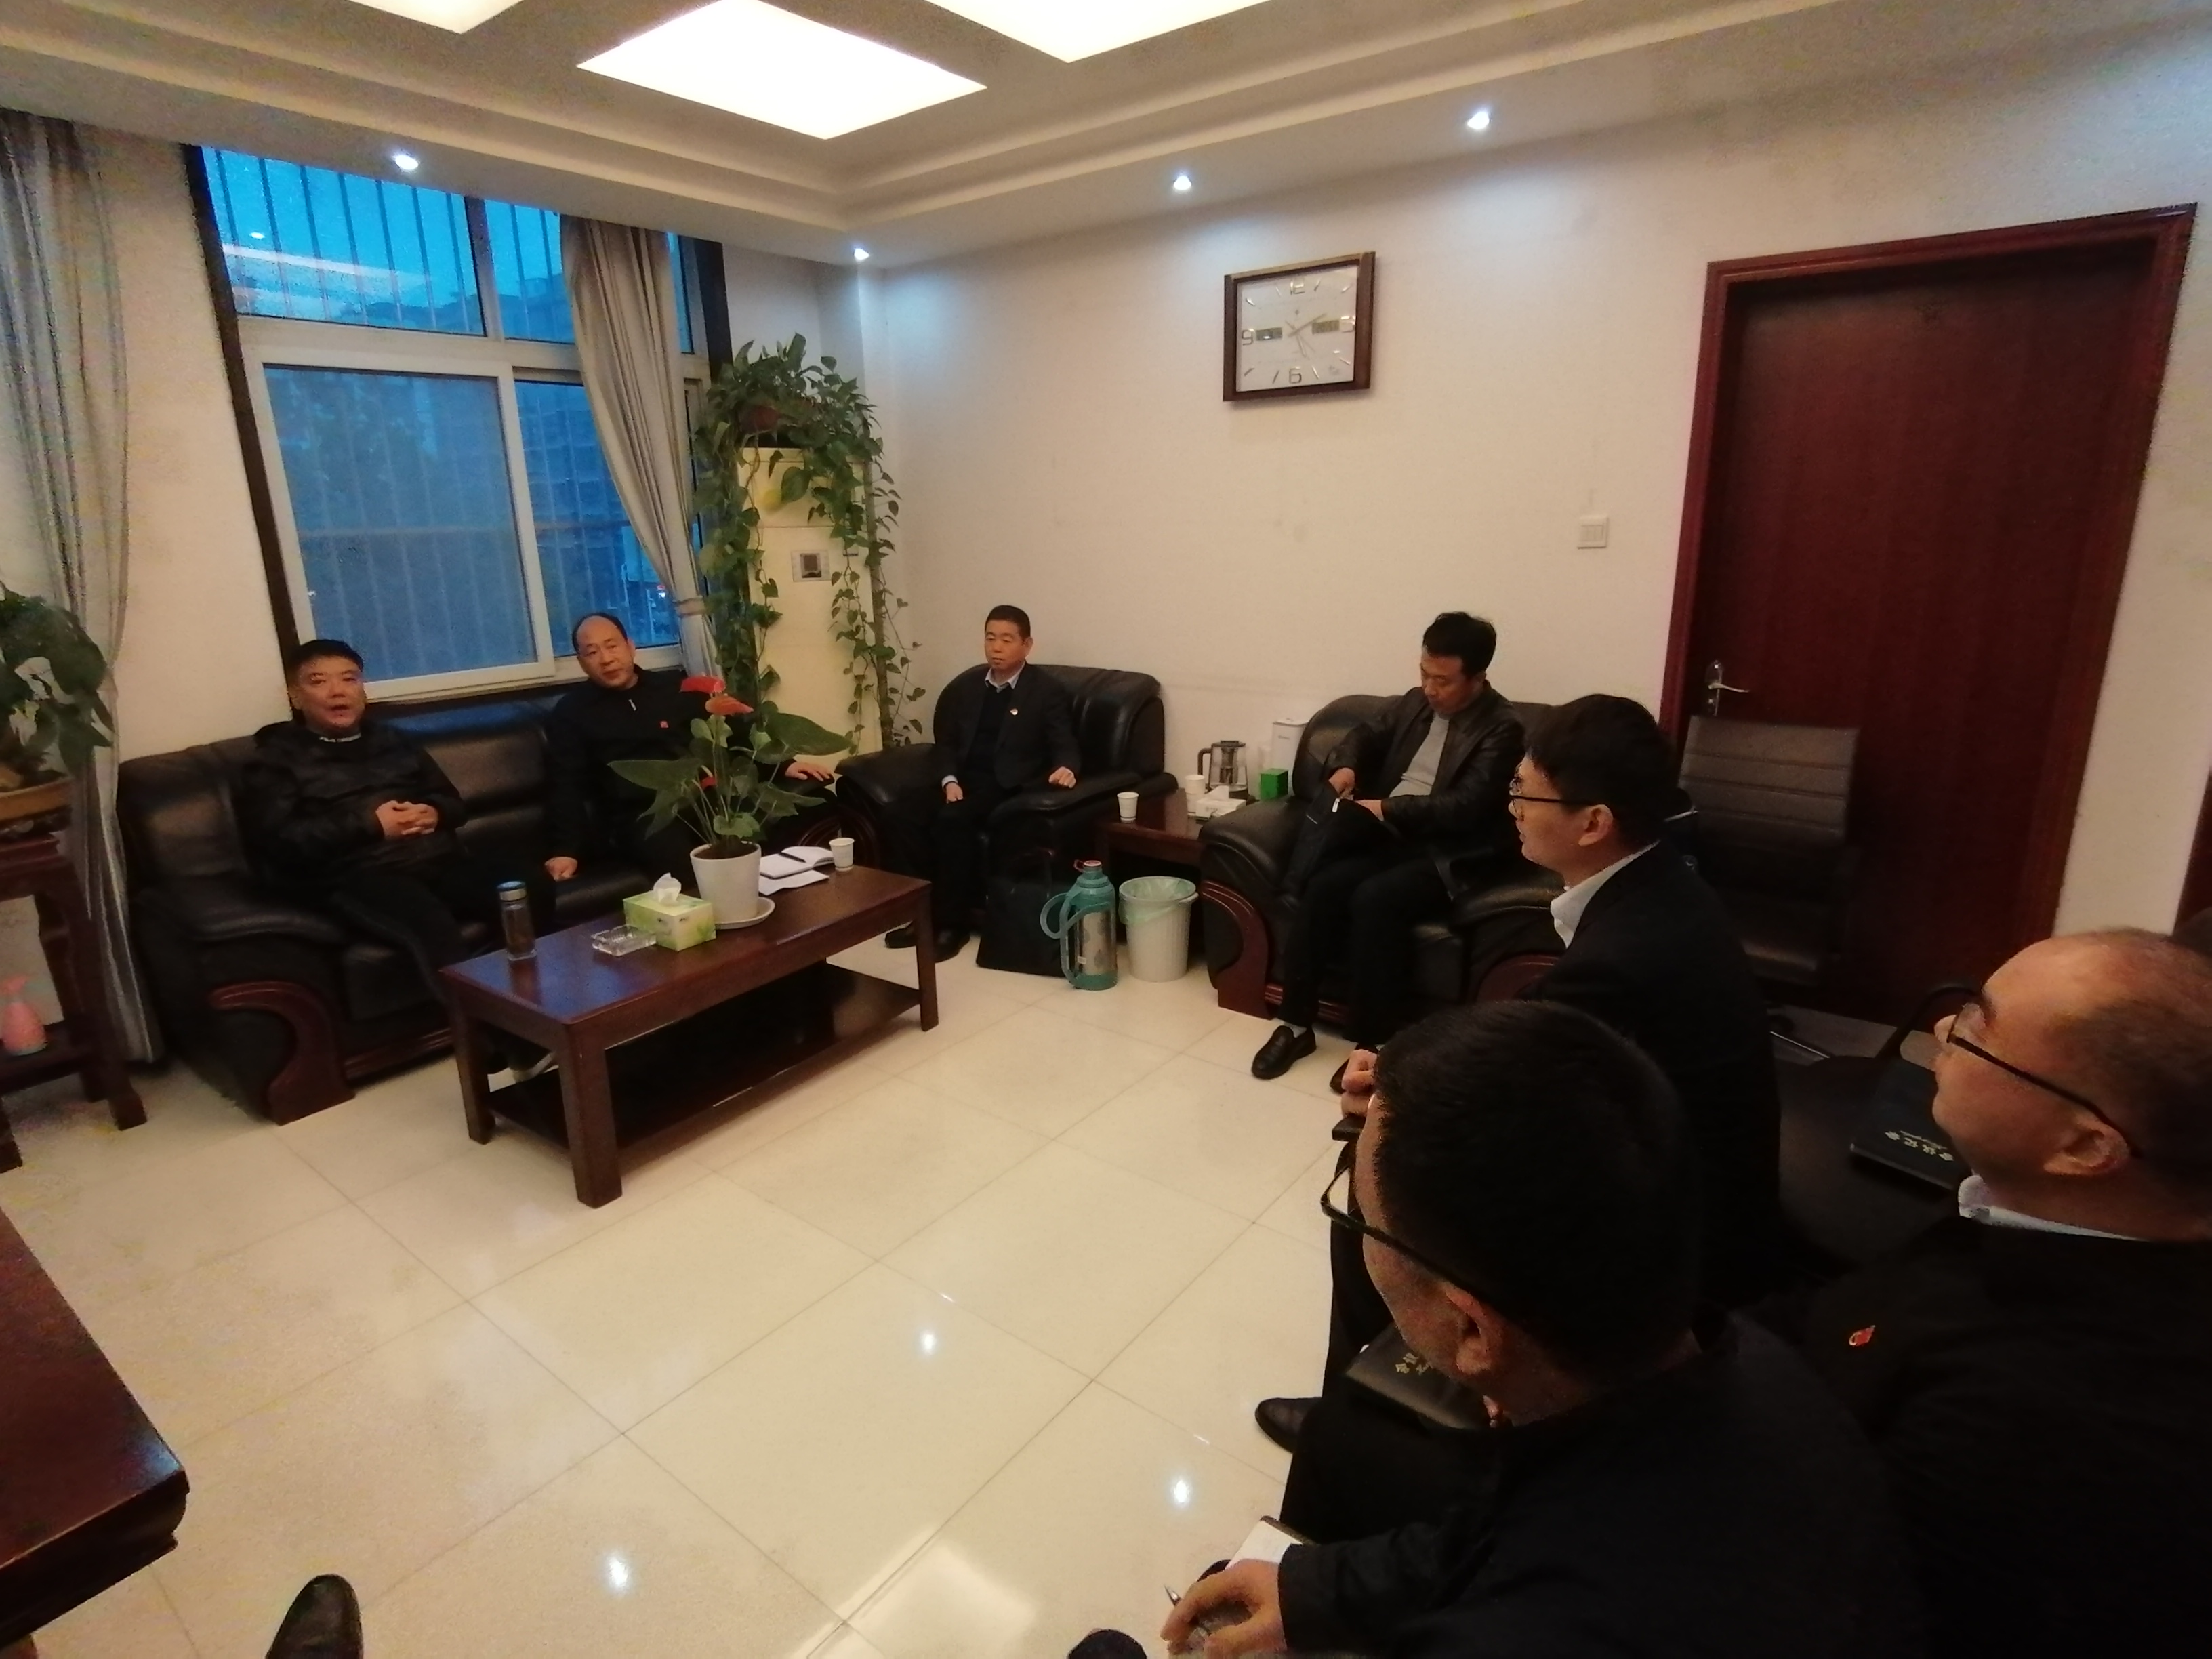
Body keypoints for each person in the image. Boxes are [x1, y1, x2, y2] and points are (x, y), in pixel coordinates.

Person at [1139, 1003, 1921, 1658]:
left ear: (1470, 1330)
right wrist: (1316, 1592)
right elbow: (1494, 1534)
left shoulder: (1536, 1628)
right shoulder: (1750, 1373)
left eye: (1361, 1217)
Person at [1256, 693, 1781, 1454]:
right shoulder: (1659, 884)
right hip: (1664, 1163)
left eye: (1525, 794)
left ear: (1593, 822)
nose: (1513, 808)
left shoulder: (1624, 954)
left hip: (1686, 1238)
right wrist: (1405, 1066)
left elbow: (1518, 1061)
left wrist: (1394, 1092)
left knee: (1373, 1188)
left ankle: (1357, 1426)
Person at [1771, 928, 2212, 1659]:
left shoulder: (2038, 1428)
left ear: (2084, 1147)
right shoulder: (2027, 1205)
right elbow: (1832, 1316)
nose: (1946, 1028)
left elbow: (1837, 1606)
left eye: (1980, 1031)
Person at [240, 638, 554, 1068]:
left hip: (438, 860)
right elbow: (280, 841)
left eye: (349, 679)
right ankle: (508, 1044)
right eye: (319, 681)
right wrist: (371, 825)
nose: (337, 691)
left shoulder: (394, 740)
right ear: (295, 696)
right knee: (432, 926)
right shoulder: (274, 762)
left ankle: (528, 1003)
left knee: (528, 886)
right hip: (358, 876)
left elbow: (452, 803)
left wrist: (434, 813)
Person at [1250, 613, 1522, 1082]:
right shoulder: (1414, 704)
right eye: (1424, 674)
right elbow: (1362, 736)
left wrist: (1386, 808)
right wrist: (1347, 767)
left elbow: (1467, 807)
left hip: (1451, 853)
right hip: (1392, 835)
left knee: (1377, 899)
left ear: (1478, 678)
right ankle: (1294, 1024)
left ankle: (1371, 1045)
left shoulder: (1502, 728)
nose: (1430, 689)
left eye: (1443, 681)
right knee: (1325, 885)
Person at [543, 612, 832, 887]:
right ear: (581, 663)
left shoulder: (674, 688)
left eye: (612, 646)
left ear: (630, 647)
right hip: (645, 816)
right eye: (592, 652)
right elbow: (566, 784)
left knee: (795, 808)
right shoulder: (572, 712)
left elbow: (733, 730)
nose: (606, 659)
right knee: (685, 865)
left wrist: (784, 764)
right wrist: (566, 850)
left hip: (704, 800)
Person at [884, 604, 1079, 958]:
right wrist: (949, 780)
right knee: (901, 813)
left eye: (1006, 640)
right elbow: (946, 743)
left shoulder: (1045, 691)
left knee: (952, 820)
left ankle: (952, 925)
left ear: (1027, 645)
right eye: (990, 638)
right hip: (962, 779)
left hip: (1005, 785)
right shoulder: (968, 687)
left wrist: (1067, 766)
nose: (996, 648)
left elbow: (1063, 741)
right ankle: (921, 913)